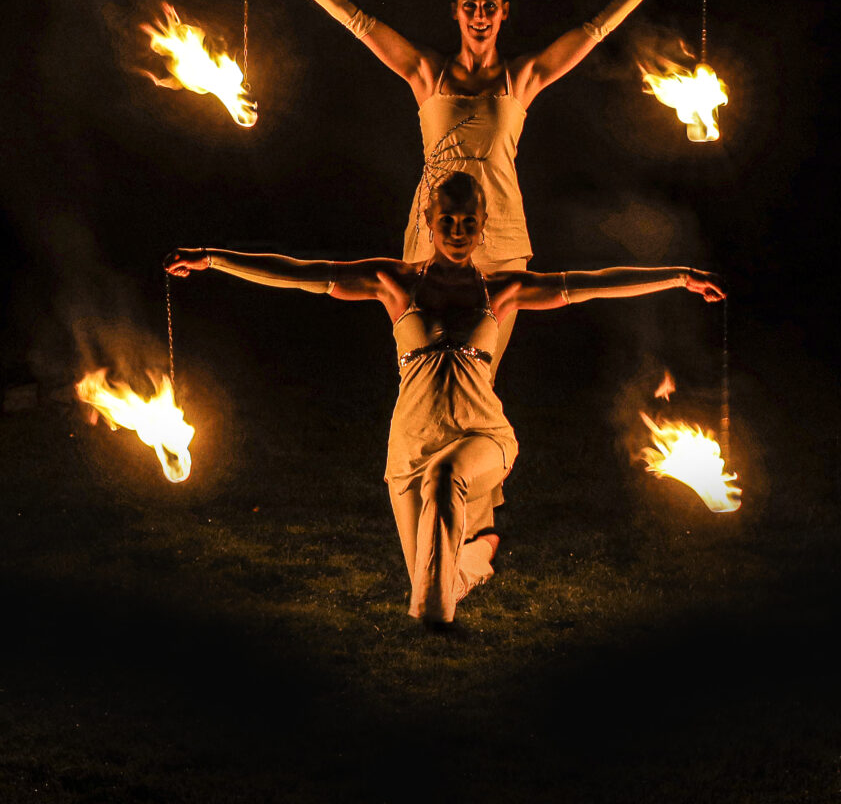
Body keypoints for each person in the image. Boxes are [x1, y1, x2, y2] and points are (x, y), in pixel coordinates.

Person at [165, 173, 724, 629]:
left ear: (483, 229)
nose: (457, 231)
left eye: (468, 223)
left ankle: (432, 631)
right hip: (409, 449)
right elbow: (299, 274)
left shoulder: (502, 291)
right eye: (447, 222)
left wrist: (677, 277)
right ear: (429, 225)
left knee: (445, 489)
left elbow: (590, 282)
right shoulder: (395, 284)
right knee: (434, 571)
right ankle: (475, 563)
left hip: (482, 437)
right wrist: (214, 257)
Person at [231, 0, 720, 381]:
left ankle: (479, 470)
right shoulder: (426, 74)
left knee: (477, 373)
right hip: (432, 231)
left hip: (501, 236)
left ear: (504, 11)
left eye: (490, 5)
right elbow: (354, 19)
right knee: (421, 368)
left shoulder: (523, 77)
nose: (480, 15)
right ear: (456, 11)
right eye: (471, 5)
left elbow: (596, 30)